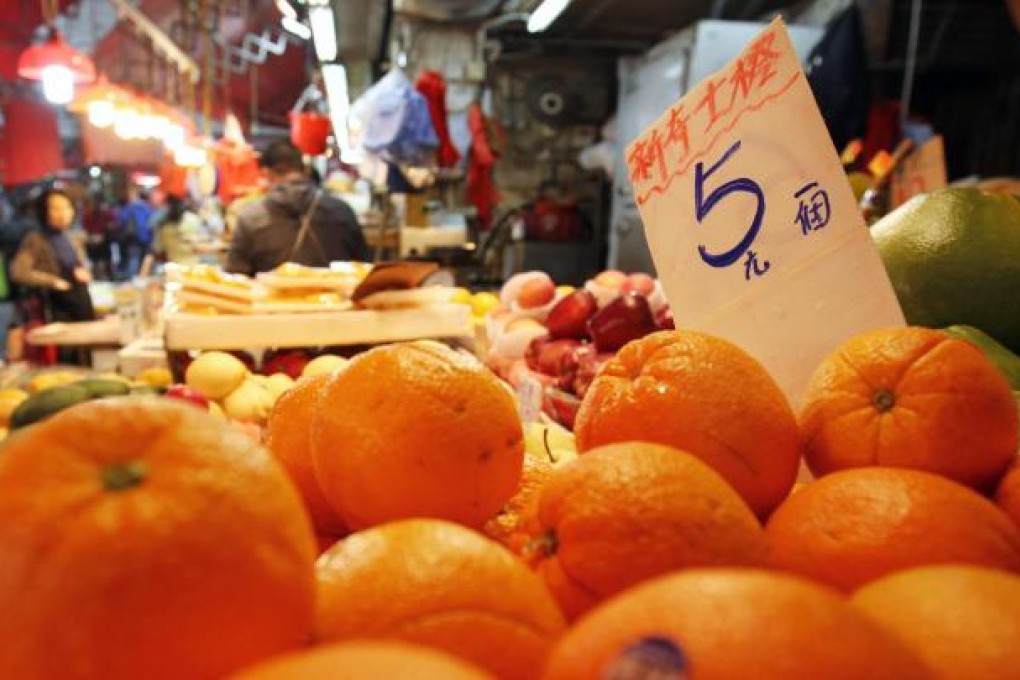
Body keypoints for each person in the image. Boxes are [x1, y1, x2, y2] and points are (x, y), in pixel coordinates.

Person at [226, 140, 370, 275]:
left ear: (266, 174)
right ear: (305, 170)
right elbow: (364, 269)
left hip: (273, 294)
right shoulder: (342, 211)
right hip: (336, 293)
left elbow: (236, 276)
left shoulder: (250, 218)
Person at [11, 188, 95, 324]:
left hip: (80, 300)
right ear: (44, 211)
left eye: (66, 207)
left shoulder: (72, 236)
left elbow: (81, 263)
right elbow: (19, 272)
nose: (62, 213)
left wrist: (84, 271)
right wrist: (53, 282)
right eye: (55, 208)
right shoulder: (35, 239)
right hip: (55, 306)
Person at [151, 194, 203, 266]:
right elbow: (198, 246)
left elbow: (158, 248)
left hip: (172, 266)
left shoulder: (162, 222)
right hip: (192, 266)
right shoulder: (193, 219)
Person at [114, 188, 155, 279]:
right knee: (144, 259)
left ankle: (131, 280)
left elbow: (121, 220)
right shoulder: (148, 208)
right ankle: (142, 279)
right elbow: (152, 222)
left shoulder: (130, 207)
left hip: (134, 237)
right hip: (146, 237)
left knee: (133, 258)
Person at [83, 197, 115, 280]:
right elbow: (86, 230)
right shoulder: (88, 215)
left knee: (106, 262)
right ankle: (98, 277)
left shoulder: (108, 214)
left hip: (105, 243)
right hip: (92, 244)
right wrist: (91, 238)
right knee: (95, 263)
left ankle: (109, 276)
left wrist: (103, 236)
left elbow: (112, 227)